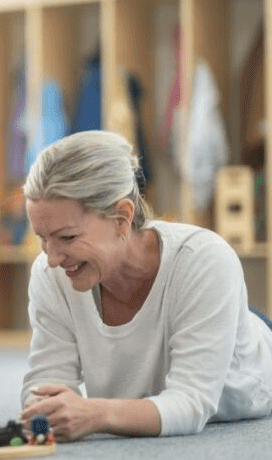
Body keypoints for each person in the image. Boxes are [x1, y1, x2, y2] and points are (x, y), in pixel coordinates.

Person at [18, 130, 272, 442]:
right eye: (42, 237)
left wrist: (95, 414)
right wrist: (46, 411)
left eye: (67, 237)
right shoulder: (49, 273)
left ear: (122, 218)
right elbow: (45, 384)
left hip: (251, 364)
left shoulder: (205, 259)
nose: (53, 258)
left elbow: (191, 403)